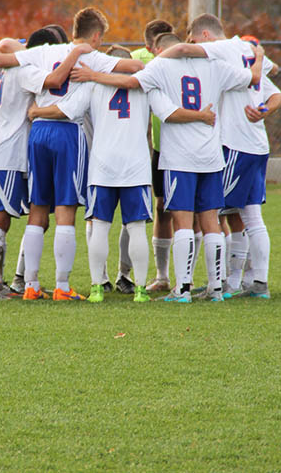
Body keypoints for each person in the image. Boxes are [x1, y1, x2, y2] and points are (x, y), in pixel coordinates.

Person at [71, 31, 265, 302]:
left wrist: (93, 76)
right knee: (211, 222)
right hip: (211, 155)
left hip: (178, 158)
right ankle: (216, 288)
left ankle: (182, 289)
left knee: (182, 222)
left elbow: (132, 85)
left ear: (161, 50)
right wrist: (259, 57)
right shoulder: (217, 65)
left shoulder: (160, 67)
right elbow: (254, 79)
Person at [27, 44, 216, 303]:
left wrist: (37, 111)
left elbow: (65, 111)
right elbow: (169, 113)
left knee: (101, 227)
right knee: (136, 228)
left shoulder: (92, 84)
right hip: (135, 166)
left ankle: (96, 288)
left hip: (102, 166)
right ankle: (139, 289)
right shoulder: (145, 85)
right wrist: (201, 116)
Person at [0, 7, 144, 301]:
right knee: (65, 211)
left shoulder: (43, 51)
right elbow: (135, 69)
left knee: (37, 209)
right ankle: (62, 286)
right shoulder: (91, 55)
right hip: (67, 133)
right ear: (96, 36)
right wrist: (93, 71)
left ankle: (31, 285)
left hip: (38, 133)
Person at [160, 14, 281, 299]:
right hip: (257, 144)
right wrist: (263, 64)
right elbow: (276, 87)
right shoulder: (246, 51)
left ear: (205, 35)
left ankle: (222, 283)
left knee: (212, 213)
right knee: (249, 214)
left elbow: (181, 50)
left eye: (193, 37)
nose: (192, 44)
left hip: (235, 143)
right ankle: (255, 283)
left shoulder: (221, 50)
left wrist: (158, 60)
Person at [0, 30, 91, 301]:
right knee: (0, 218)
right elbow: (56, 79)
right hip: (5, 152)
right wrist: (76, 53)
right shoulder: (24, 71)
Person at [116, 20, 175, 294]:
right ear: (150, 46)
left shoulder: (181, 54)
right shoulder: (138, 58)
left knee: (187, 212)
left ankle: (174, 277)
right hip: (156, 146)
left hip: (172, 145)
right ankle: (137, 275)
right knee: (155, 209)